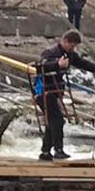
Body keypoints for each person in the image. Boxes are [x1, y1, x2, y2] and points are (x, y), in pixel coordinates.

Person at [32, 31, 82, 160]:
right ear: (64, 41)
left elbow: (83, 63)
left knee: (52, 120)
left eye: (74, 46)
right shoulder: (50, 53)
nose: (72, 49)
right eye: (71, 45)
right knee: (58, 120)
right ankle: (58, 150)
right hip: (43, 92)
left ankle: (46, 151)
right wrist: (57, 64)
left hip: (55, 92)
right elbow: (39, 66)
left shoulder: (70, 55)